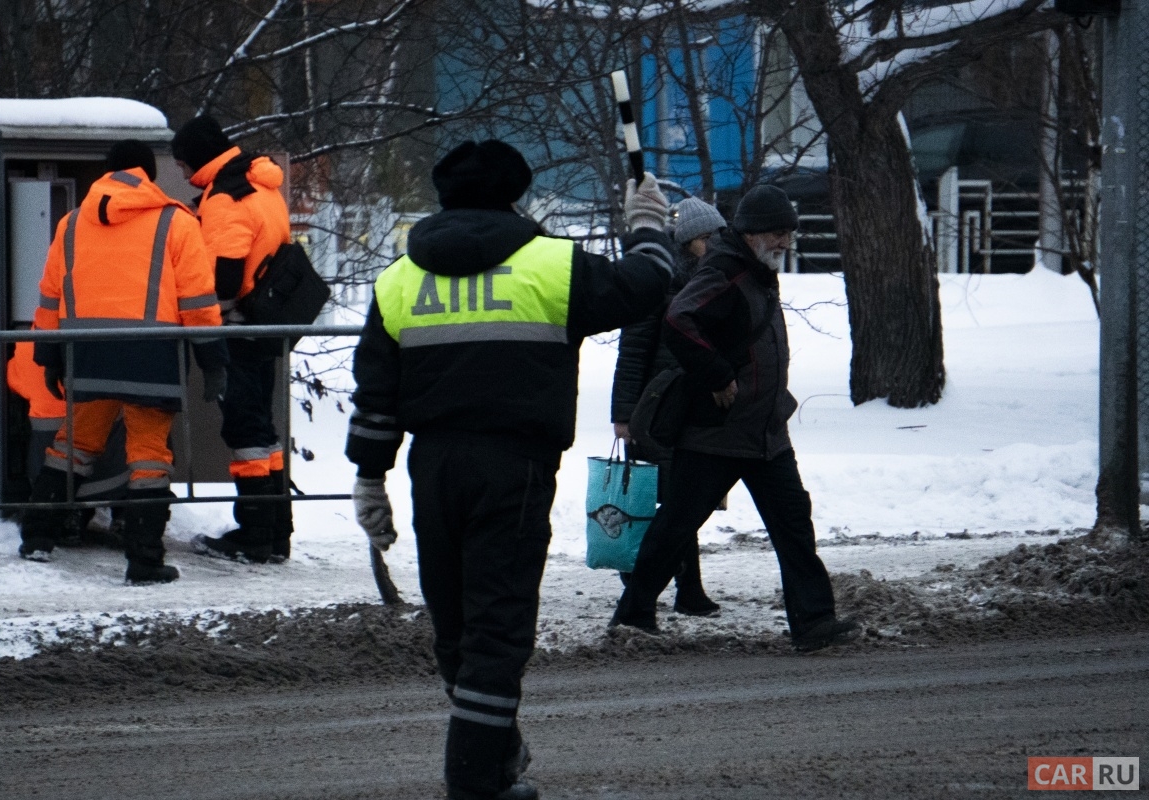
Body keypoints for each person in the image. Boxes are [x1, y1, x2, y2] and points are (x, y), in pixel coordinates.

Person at [346, 140, 677, 800]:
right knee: (496, 629)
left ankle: (495, 760)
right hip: (514, 466)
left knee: (457, 625)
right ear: (514, 195)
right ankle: (473, 782)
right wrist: (647, 225)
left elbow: (375, 391)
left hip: (432, 468)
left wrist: (368, 476)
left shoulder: (399, 279)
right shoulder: (552, 266)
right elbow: (646, 287)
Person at [610, 184, 860, 652]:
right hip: (717, 434)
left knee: (793, 524)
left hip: (765, 432)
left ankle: (814, 623)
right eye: (777, 233)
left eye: (789, 233)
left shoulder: (757, 270)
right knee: (677, 526)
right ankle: (633, 613)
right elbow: (679, 319)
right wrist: (718, 376)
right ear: (751, 233)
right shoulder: (724, 270)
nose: (785, 242)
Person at [19, 139, 229, 585]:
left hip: (88, 351)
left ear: (106, 173)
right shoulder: (176, 222)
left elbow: (49, 295)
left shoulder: (72, 223)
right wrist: (213, 360)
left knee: (73, 443)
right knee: (149, 456)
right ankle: (144, 560)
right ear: (148, 175)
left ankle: (37, 536)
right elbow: (198, 302)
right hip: (150, 355)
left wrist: (50, 356)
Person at [169, 115, 297, 565]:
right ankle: (276, 531)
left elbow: (222, 275)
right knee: (263, 430)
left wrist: (207, 320)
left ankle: (255, 535)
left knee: (244, 429)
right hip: (267, 322)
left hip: (238, 326)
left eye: (184, 165)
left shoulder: (224, 197)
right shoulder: (262, 186)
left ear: (198, 158)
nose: (183, 174)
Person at [609, 196, 728, 617]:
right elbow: (633, 352)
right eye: (707, 238)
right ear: (688, 242)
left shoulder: (715, 284)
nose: (715, 244)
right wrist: (623, 416)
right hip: (656, 413)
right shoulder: (659, 287)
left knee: (683, 503)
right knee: (666, 504)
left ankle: (686, 590)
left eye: (719, 236)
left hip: (697, 411)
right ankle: (656, 586)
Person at [6, 336, 128, 547]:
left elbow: (15, 383)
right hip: (111, 469)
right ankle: (127, 514)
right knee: (142, 431)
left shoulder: (27, 345)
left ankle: (70, 516)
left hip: (52, 470)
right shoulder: (103, 342)